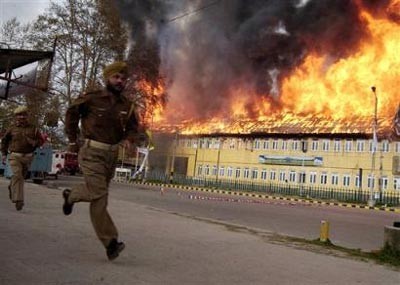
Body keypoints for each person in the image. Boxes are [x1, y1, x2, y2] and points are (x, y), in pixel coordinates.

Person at [63, 61, 140, 261]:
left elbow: (133, 128)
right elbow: (71, 113)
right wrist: (72, 139)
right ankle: (110, 242)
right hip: (91, 152)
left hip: (111, 156)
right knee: (99, 193)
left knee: (99, 197)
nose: (120, 81)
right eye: (116, 77)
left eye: (123, 78)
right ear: (107, 78)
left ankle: (71, 196)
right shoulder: (93, 98)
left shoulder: (128, 106)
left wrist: (128, 140)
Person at [1, 106, 44, 211]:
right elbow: (4, 141)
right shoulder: (11, 128)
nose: (22, 117)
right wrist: (4, 154)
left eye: (24, 115)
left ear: (27, 116)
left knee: (21, 178)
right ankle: (19, 200)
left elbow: (41, 141)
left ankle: (12, 187)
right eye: (19, 115)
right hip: (15, 156)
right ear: (16, 117)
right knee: (18, 175)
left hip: (28, 157)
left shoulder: (34, 129)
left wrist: (34, 142)